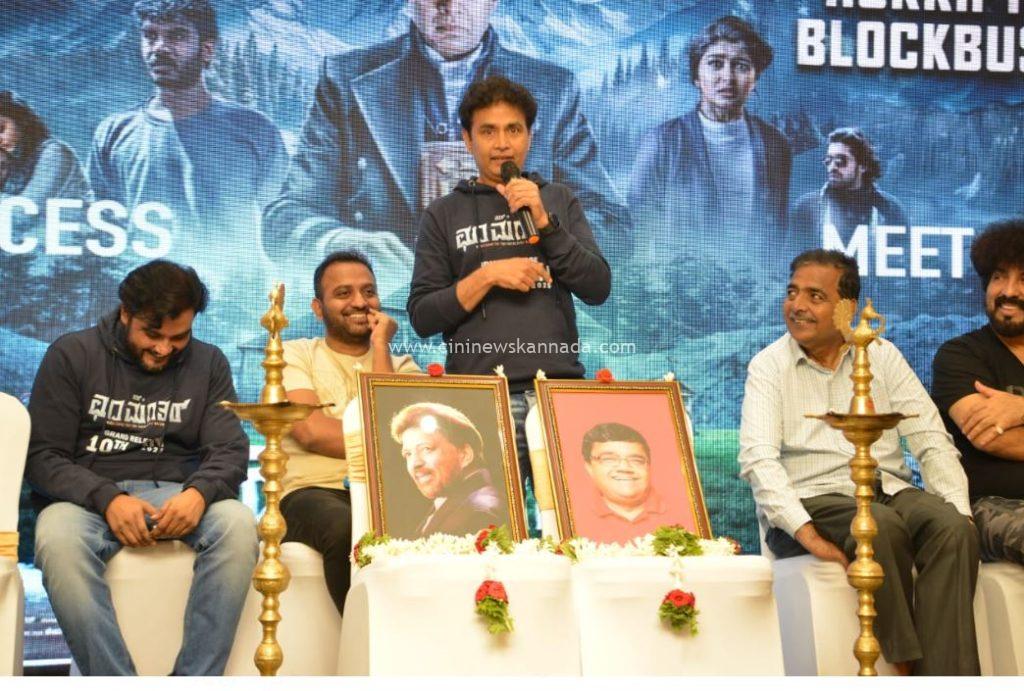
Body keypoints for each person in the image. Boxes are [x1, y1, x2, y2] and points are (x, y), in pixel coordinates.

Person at [262, 0, 627, 305]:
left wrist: (533, 243)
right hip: (387, 314)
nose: (449, 7)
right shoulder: (345, 78)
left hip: (516, 317)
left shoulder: (553, 88)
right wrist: (344, 245)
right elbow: (284, 218)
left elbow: (610, 222)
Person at [738, 249, 979, 675]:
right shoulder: (769, 366)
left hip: (888, 488)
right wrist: (807, 533)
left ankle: (947, 676)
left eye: (815, 296)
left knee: (953, 528)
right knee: (878, 526)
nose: (797, 305)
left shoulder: (882, 355)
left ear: (847, 309)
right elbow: (759, 460)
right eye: (792, 293)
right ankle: (905, 664)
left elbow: (930, 439)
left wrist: (960, 508)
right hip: (814, 498)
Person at [25, 260, 257, 676]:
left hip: (176, 493)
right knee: (56, 536)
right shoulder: (72, 354)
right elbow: (43, 457)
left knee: (237, 525)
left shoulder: (209, 363)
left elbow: (230, 449)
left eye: (179, 337)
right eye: (153, 334)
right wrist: (108, 498)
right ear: (125, 313)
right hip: (90, 501)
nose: (165, 348)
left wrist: (199, 493)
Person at [406, 75, 611, 533]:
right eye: (488, 131)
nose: (502, 143)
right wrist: (487, 275)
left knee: (580, 534)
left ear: (529, 136)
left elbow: (597, 286)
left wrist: (543, 220)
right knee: (491, 538)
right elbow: (422, 315)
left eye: (513, 130)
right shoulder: (443, 214)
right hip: (482, 399)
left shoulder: (557, 200)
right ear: (467, 139)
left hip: (557, 393)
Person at [87, 0, 288, 317]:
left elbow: (284, 224)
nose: (159, 48)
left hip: (236, 310)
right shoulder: (113, 134)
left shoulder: (254, 130)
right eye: (150, 35)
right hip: (147, 311)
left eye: (177, 35)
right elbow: (103, 232)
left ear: (207, 49)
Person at [280, 250, 419, 614]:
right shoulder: (294, 354)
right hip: (311, 493)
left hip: (385, 495)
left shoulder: (403, 366)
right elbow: (310, 431)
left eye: (369, 292)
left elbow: (402, 439)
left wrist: (380, 347)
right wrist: (384, 440)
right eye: (343, 293)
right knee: (348, 529)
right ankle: (369, 638)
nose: (360, 302)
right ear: (318, 308)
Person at [629, 16, 791, 267]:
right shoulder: (662, 142)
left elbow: (776, 233)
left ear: (754, 79)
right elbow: (639, 228)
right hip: (681, 284)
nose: (727, 77)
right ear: (696, 76)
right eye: (715, 64)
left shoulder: (774, 145)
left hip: (752, 285)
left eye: (741, 66)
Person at [932, 219, 1024, 566]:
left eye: (1023, 279)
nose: (1009, 291)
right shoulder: (960, 355)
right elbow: (989, 437)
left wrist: (1019, 408)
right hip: (988, 507)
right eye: (999, 276)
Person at [390, 401, 500, 536]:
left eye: (426, 449)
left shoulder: (480, 514)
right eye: (408, 454)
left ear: (465, 454)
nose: (415, 463)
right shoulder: (455, 504)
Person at [791, 127, 908, 243]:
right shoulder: (807, 208)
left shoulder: (890, 209)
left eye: (840, 161)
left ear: (863, 165)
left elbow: (903, 252)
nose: (832, 167)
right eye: (828, 161)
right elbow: (792, 252)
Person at [580, 422, 667, 544]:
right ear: (589, 467)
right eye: (609, 459)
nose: (624, 468)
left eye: (636, 460)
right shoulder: (573, 518)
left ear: (649, 466)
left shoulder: (684, 510)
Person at [0, 90, 90, 204]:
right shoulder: (9, 161)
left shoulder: (54, 153)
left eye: (1, 129)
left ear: (21, 122)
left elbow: (27, 208)